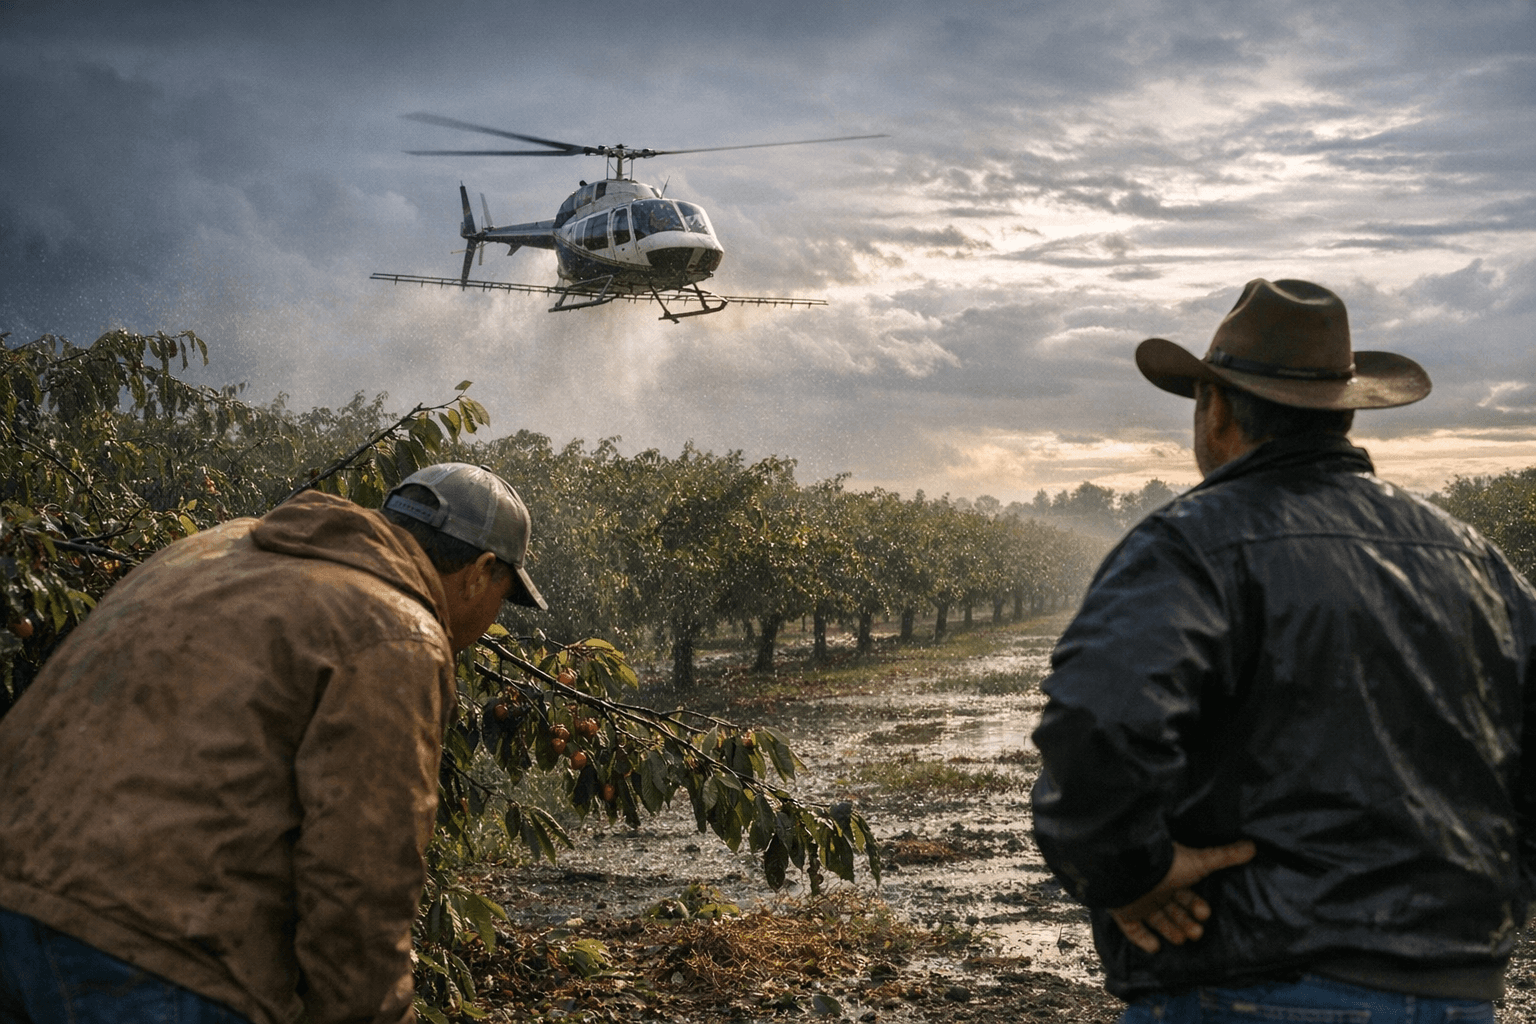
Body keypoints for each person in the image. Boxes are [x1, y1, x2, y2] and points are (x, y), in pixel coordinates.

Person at [1030, 279, 1536, 1023]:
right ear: (1343, 413)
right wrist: (1486, 903)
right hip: (1455, 994)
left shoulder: (1192, 542)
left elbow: (1100, 720)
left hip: (1248, 985)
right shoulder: (1474, 560)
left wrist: (1129, 873)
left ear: (1218, 409)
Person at [0, 462, 546, 1024]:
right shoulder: (396, 630)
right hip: (149, 953)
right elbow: (358, 887)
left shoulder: (214, 549)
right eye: (503, 596)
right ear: (481, 572)